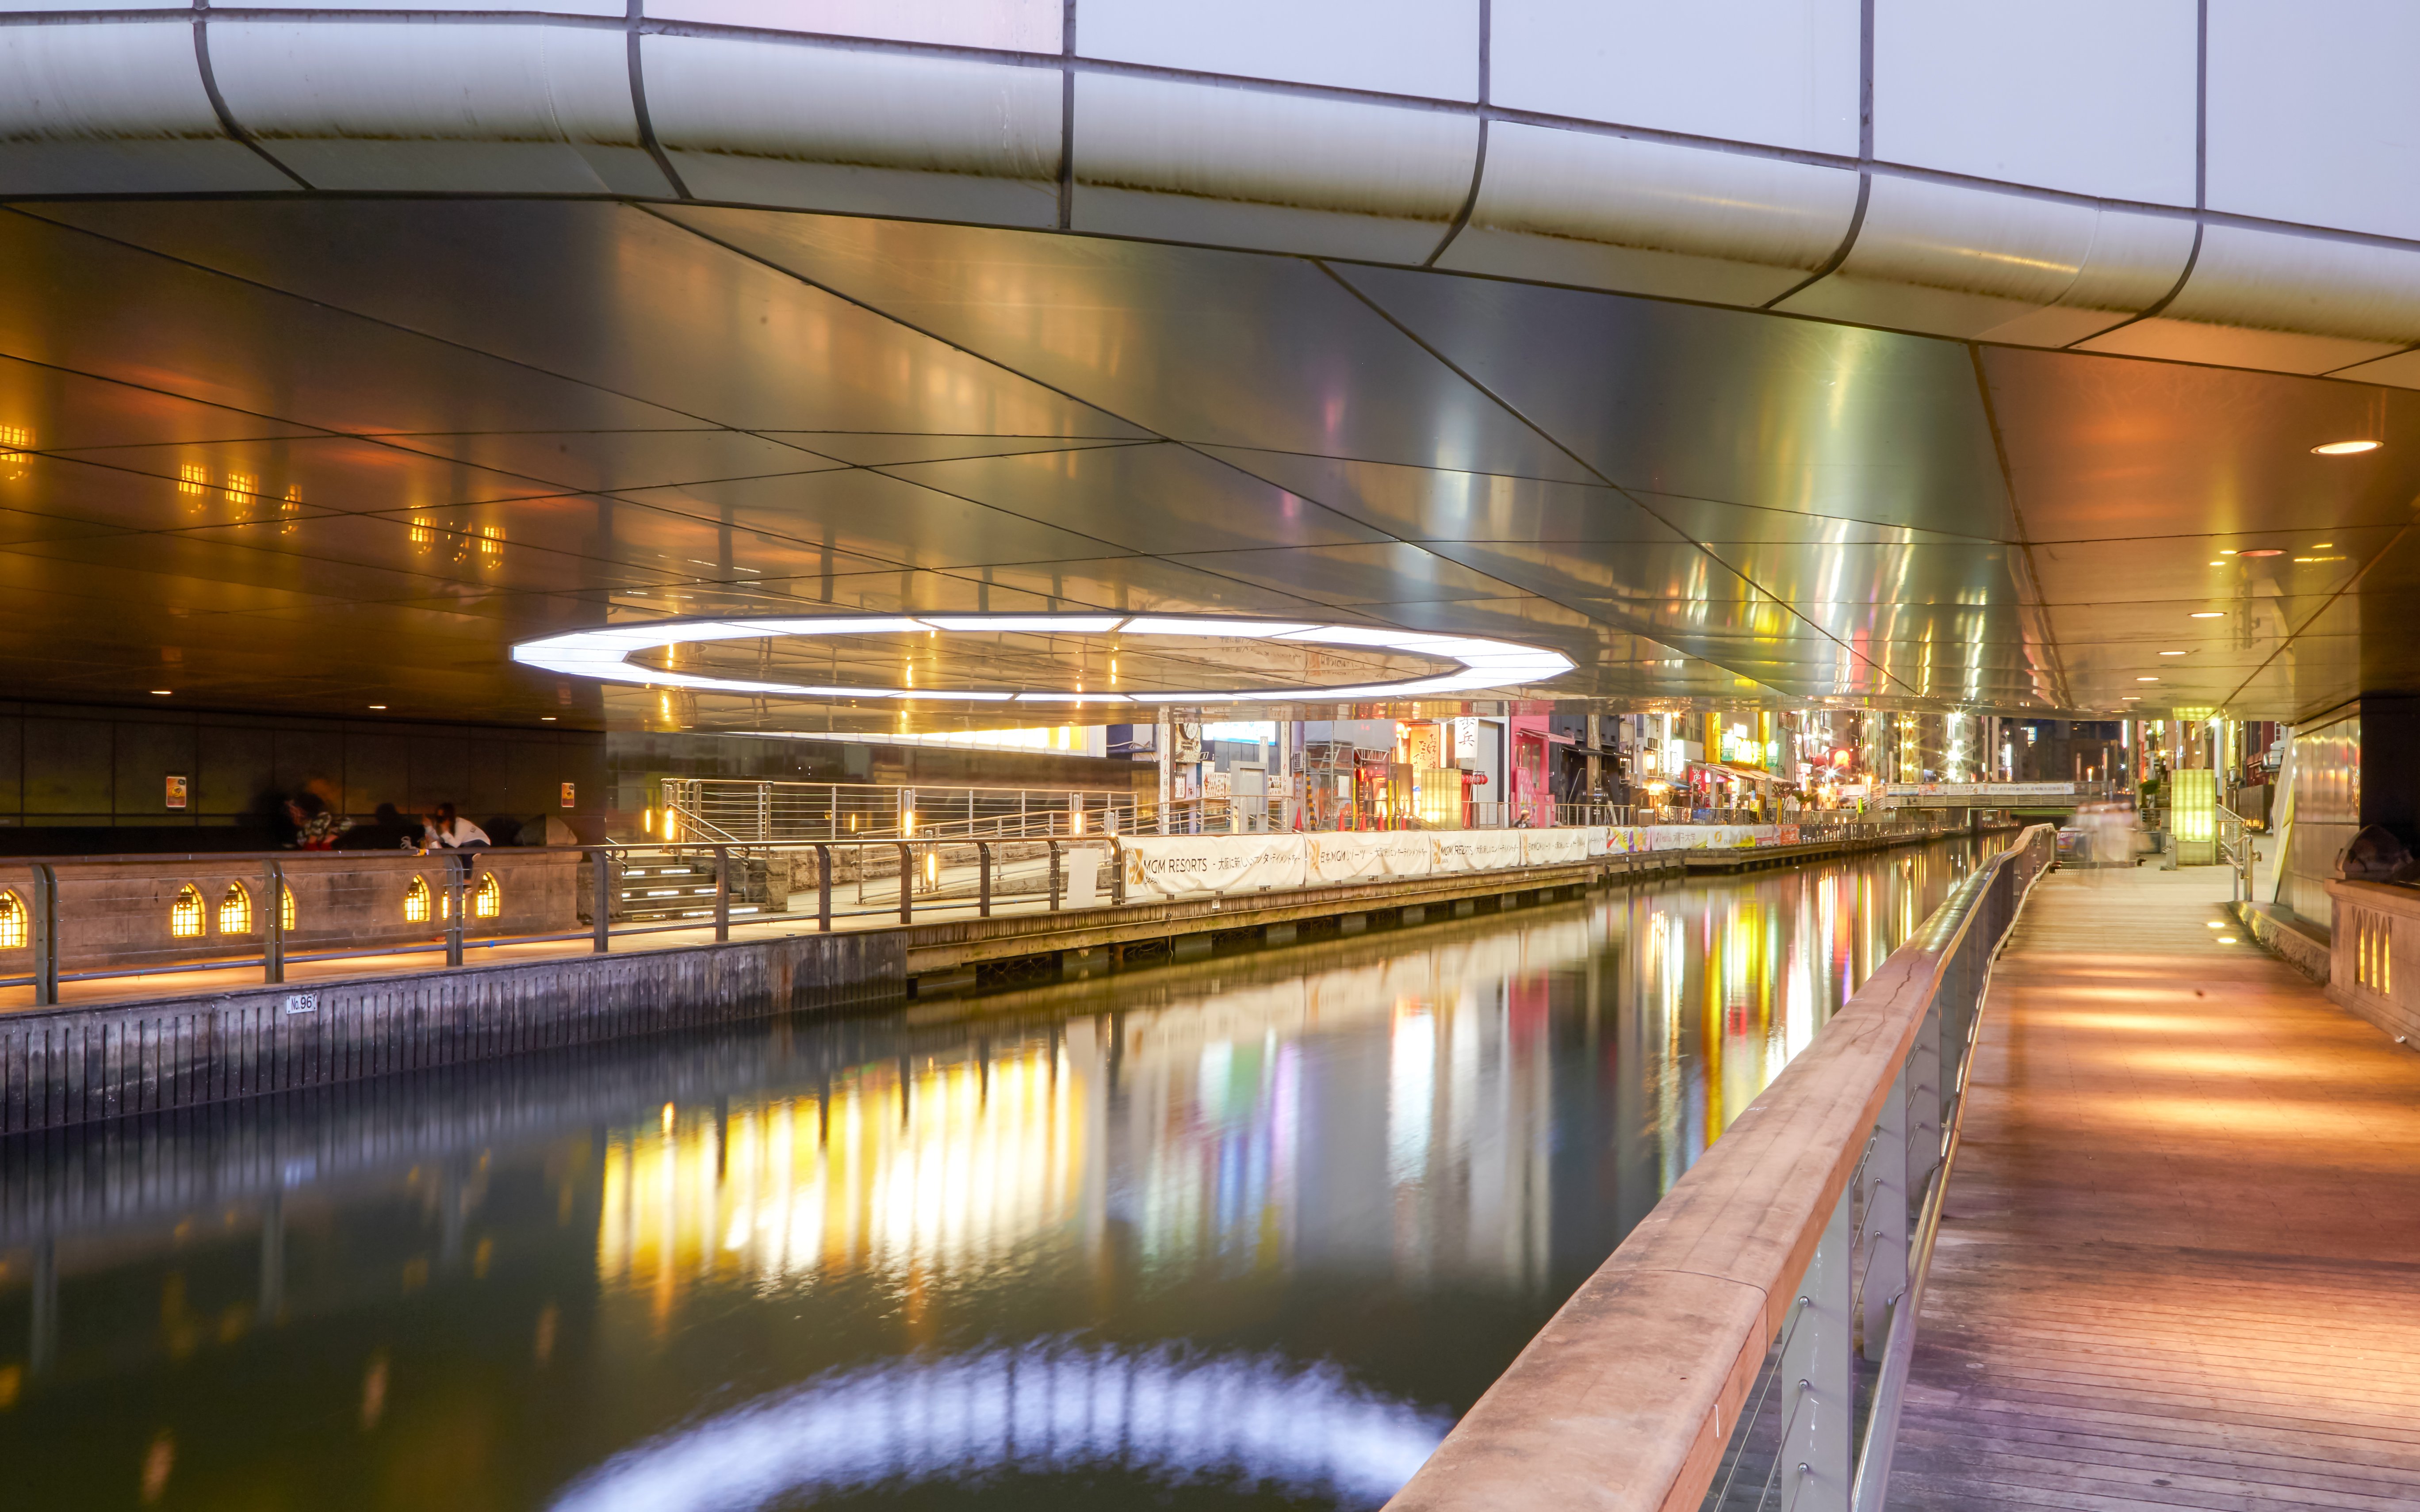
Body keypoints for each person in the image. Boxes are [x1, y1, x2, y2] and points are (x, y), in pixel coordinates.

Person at [425, 802, 490, 851]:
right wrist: (429, 828)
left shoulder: (461, 824)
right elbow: (440, 839)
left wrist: (445, 833)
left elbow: (456, 844)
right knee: (445, 847)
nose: (442, 822)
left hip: (481, 841)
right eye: (439, 818)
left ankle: (468, 868)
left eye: (444, 818)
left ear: (449, 818)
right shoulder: (441, 824)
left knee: (465, 852)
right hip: (465, 843)